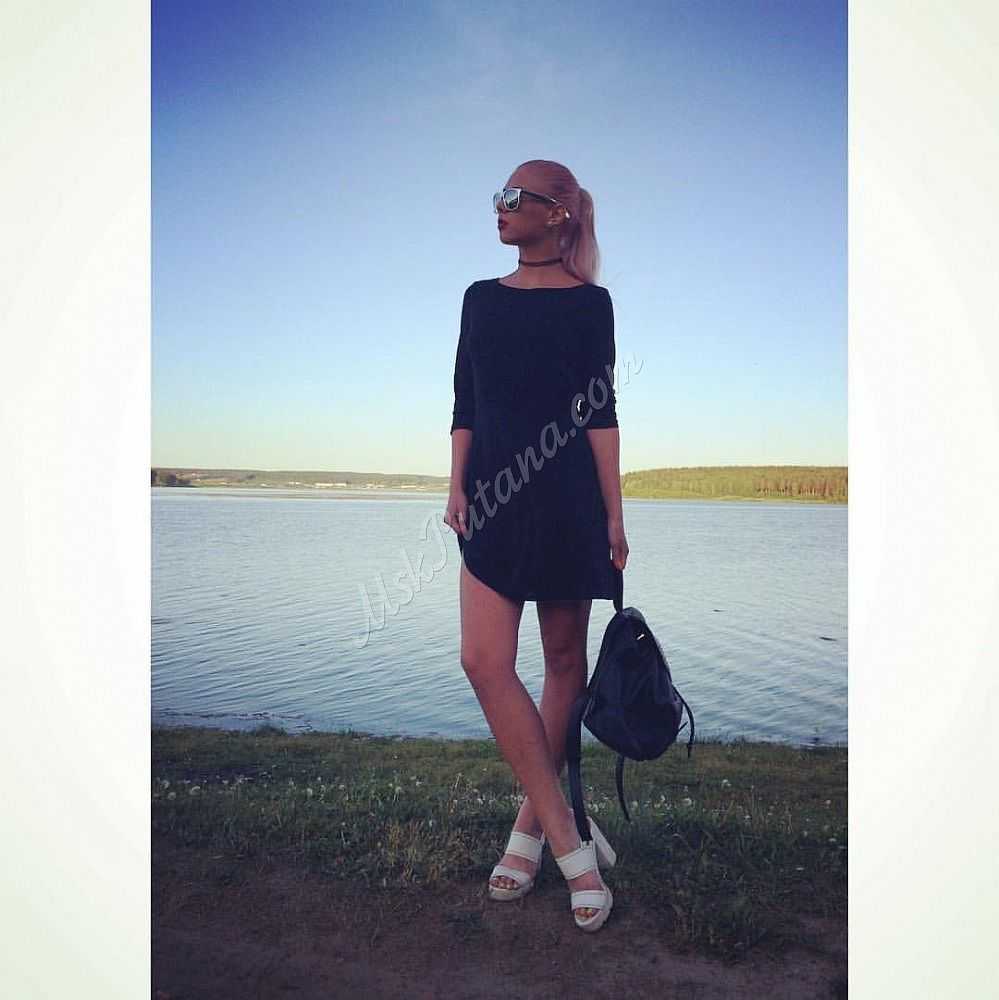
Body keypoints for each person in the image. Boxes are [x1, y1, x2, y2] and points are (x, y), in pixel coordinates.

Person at [443, 159, 629, 933]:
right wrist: (456, 485)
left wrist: (614, 518)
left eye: (514, 196)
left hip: (567, 502)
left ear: (556, 213)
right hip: (492, 497)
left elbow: (600, 414)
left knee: (561, 665)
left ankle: (528, 831)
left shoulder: (591, 304)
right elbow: (465, 400)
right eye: (499, 195)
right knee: (482, 660)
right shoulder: (479, 298)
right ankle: (570, 843)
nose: (500, 206)